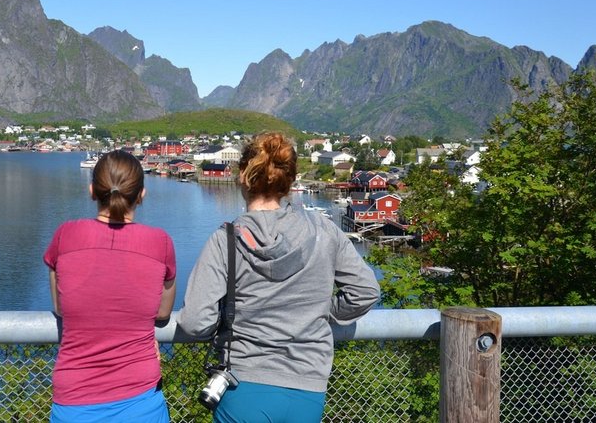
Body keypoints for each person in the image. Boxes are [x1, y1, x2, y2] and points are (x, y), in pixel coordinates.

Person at [177, 132, 380, 423]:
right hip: (308, 388)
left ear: (243, 178)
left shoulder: (225, 240)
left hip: (241, 384)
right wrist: (322, 311)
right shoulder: (325, 231)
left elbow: (196, 323)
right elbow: (365, 292)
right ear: (290, 181)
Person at [44, 150, 177, 422]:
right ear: (141, 194)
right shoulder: (160, 242)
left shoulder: (65, 235)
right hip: (140, 399)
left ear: (92, 191)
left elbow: (60, 307)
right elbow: (163, 313)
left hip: (75, 401)